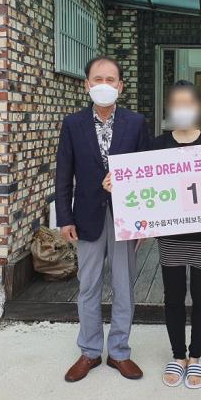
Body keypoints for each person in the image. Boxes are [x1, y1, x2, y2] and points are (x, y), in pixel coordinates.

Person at [56, 56, 150, 383]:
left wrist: (145, 220)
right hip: (86, 215)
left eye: (111, 80)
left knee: (124, 285)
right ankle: (90, 351)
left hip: (127, 215)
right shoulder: (73, 124)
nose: (104, 85)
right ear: (87, 85)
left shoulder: (136, 123)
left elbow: (146, 171)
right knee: (89, 285)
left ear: (120, 86)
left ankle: (120, 352)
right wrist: (64, 217)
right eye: (98, 79)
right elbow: (64, 173)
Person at [148, 80, 201, 389]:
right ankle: (178, 356)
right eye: (176, 103)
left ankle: (196, 356)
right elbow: (146, 188)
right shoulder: (156, 145)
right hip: (171, 237)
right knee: (174, 297)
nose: (182, 109)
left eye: (188, 103)